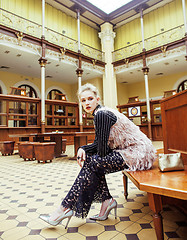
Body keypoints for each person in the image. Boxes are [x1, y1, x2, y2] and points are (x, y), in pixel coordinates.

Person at [39, 83, 156, 228]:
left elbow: (101, 150)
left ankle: (64, 208)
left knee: (93, 163)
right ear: (80, 103)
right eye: (83, 100)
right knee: (93, 163)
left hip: (139, 153)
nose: (87, 103)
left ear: (97, 99)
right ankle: (105, 202)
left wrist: (85, 150)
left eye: (90, 99)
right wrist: (84, 149)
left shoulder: (101, 114)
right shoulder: (101, 113)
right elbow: (100, 144)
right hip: (129, 150)